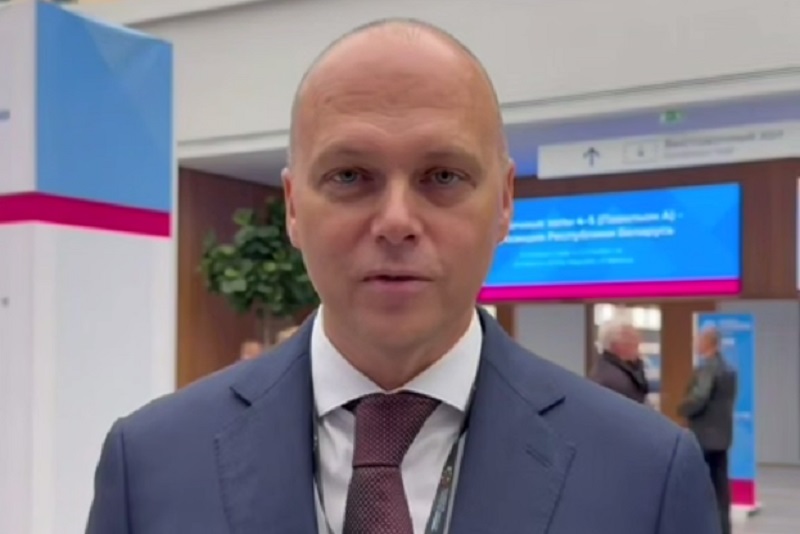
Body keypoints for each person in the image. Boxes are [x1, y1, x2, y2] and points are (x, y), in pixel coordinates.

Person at [86, 18, 721, 533]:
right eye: (350, 176)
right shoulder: (152, 464)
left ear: (504, 203)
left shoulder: (645, 474)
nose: (396, 221)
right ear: (294, 207)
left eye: (442, 176)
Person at [679, 327, 738, 534]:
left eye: (697, 340)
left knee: (702, 487)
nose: (694, 344)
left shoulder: (708, 368)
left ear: (707, 343)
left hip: (704, 436)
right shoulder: (729, 369)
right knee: (721, 489)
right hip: (722, 437)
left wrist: (682, 408)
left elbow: (699, 397)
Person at [589, 318, 649, 403]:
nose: (638, 342)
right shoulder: (612, 380)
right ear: (617, 345)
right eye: (632, 339)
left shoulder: (618, 371)